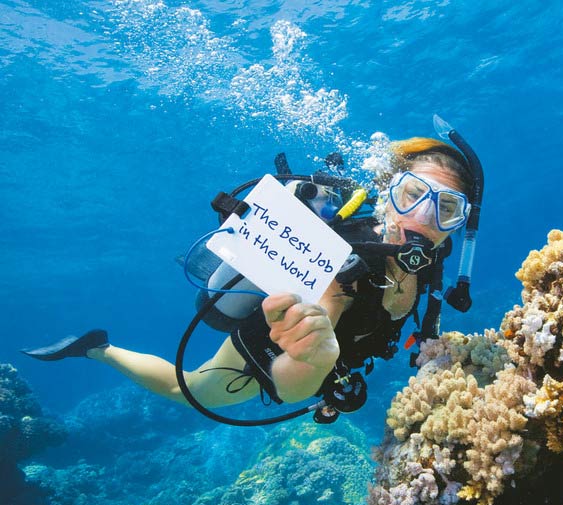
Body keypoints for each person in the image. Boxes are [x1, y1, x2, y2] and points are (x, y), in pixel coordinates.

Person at [22, 133, 482, 425]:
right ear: (388, 194)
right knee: (188, 390)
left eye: (446, 208)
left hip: (328, 355)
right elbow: (290, 388)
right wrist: (313, 358)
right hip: (273, 333)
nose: (422, 216)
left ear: (460, 223)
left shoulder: (433, 259)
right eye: (412, 194)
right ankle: (99, 347)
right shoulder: (343, 263)